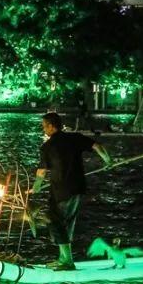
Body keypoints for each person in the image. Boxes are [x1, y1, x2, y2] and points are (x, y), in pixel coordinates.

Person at [31, 112, 113, 270]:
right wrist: (108, 161)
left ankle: (67, 261)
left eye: (44, 126)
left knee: (58, 223)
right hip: (75, 188)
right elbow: (98, 146)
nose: (43, 130)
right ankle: (63, 258)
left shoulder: (47, 147)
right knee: (60, 222)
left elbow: (41, 172)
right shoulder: (75, 138)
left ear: (51, 126)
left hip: (62, 190)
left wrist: (36, 188)